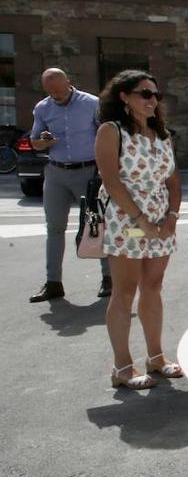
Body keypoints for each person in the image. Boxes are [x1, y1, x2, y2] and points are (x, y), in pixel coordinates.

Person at [95, 70, 182, 389]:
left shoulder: (161, 134)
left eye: (155, 95)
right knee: (125, 290)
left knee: (154, 285)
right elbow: (111, 181)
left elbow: (173, 179)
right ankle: (122, 367)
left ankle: (156, 356)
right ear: (124, 97)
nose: (152, 100)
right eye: (145, 93)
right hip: (128, 223)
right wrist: (141, 219)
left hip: (160, 222)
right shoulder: (111, 131)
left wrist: (172, 215)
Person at [28, 68, 111, 302]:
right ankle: (53, 282)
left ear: (69, 83)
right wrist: (43, 141)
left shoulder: (92, 103)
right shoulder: (42, 108)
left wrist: (106, 170)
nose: (55, 95)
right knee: (54, 228)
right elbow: (34, 141)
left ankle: (108, 278)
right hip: (56, 172)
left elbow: (107, 135)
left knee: (96, 224)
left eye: (58, 90)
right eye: (50, 91)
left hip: (88, 171)